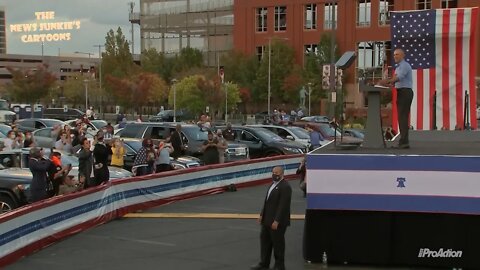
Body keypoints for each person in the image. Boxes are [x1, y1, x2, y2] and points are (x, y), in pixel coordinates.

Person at [251, 166, 292, 270]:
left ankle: (279, 265)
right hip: (267, 220)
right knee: (265, 242)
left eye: (277, 172)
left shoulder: (285, 187)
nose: (274, 174)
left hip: (277, 222)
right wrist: (261, 215)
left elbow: (283, 206)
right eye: (273, 172)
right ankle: (264, 263)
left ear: (282, 174)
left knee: (277, 244)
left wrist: (277, 220)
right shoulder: (272, 185)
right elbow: (266, 202)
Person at [379, 48, 413, 149]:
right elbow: (394, 81)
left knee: (402, 117)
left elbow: (398, 78)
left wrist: (386, 81)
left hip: (405, 92)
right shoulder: (398, 67)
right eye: (394, 55)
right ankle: (403, 141)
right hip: (400, 92)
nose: (395, 56)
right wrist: (386, 84)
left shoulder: (404, 66)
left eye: (397, 54)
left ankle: (404, 142)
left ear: (403, 55)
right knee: (401, 117)